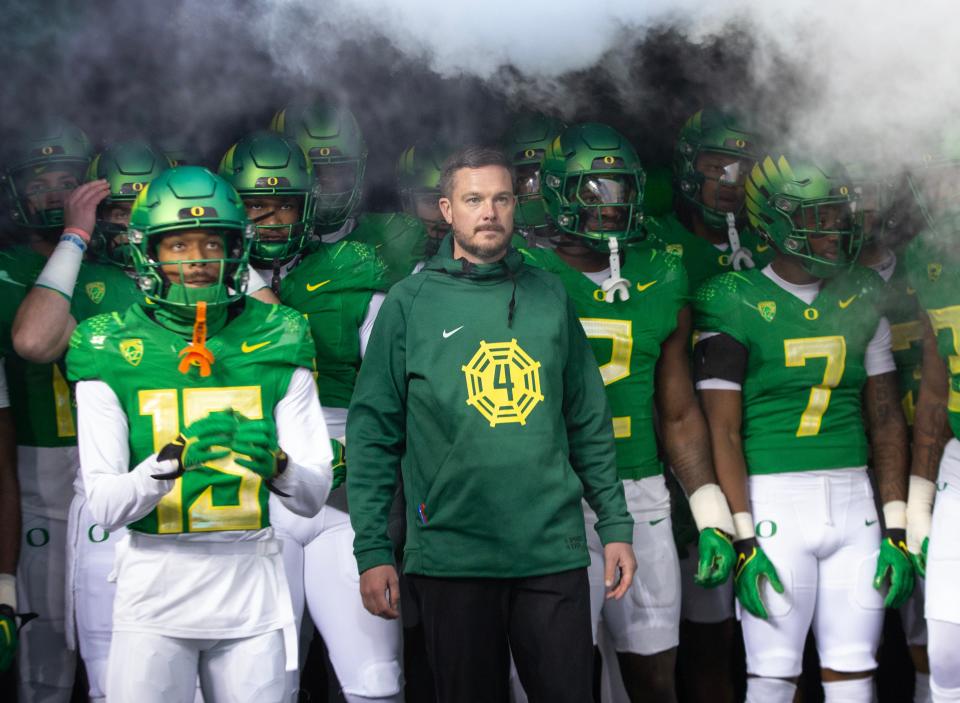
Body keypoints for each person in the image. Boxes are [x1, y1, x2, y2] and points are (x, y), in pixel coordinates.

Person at [347, 145, 636, 703]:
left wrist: (616, 524)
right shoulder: (409, 304)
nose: (490, 212)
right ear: (446, 210)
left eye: (502, 198)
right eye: (473, 199)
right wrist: (373, 550)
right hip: (454, 554)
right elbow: (373, 434)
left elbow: (587, 419)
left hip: (550, 548)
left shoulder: (550, 293)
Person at [66, 165, 333, 702]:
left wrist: (279, 467)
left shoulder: (281, 333)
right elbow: (106, 506)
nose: (196, 259)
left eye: (212, 242)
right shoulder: (108, 343)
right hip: (154, 586)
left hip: (251, 583)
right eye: (178, 244)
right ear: (150, 254)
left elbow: (314, 495)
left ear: (237, 247)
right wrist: (169, 463)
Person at [521, 121, 736, 703]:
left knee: (653, 676)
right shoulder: (517, 271)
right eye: (593, 191)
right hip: (547, 494)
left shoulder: (662, 272)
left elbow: (678, 413)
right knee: (554, 679)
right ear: (557, 192)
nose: (610, 206)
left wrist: (710, 512)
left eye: (619, 190)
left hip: (637, 488)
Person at [694, 154, 914, 703]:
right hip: (773, 503)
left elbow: (885, 419)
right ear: (773, 224)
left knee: (855, 673)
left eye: (837, 213)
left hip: (854, 502)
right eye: (818, 217)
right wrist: (742, 537)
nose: (835, 228)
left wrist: (896, 527)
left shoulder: (862, 289)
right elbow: (721, 432)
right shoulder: (732, 297)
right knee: (771, 677)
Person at [219, 131, 404, 702]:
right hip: (247, 494)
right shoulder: (193, 286)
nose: (272, 218)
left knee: (374, 682)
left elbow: (395, 397)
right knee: (263, 686)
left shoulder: (354, 269)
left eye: (287, 203)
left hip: (345, 492)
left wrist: (368, 459)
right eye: (254, 205)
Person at [271, 99, 427, 285]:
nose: (327, 181)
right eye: (315, 171)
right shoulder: (258, 248)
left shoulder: (394, 240)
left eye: (338, 170)